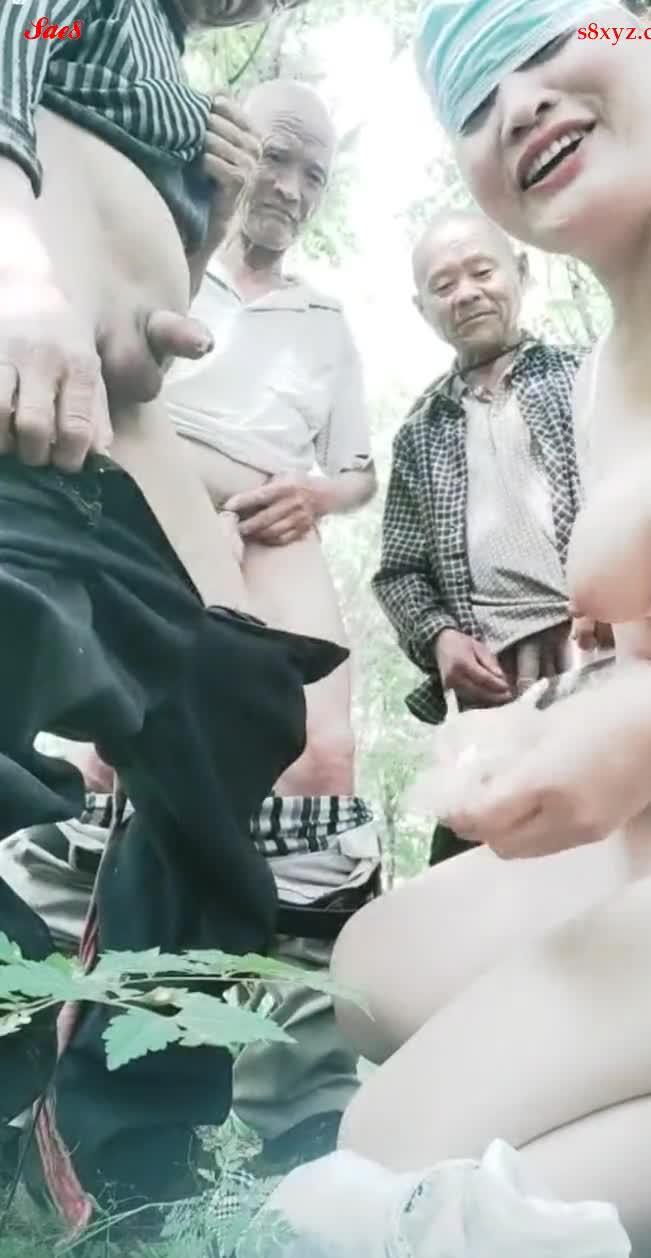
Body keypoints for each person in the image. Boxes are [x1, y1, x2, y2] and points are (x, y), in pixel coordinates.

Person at [330, 2, 651, 1253]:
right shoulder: (590, 384)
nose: (518, 102)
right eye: (473, 99)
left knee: (398, 1174)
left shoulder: (555, 376)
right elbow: (635, 654)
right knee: (371, 967)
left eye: (544, 38)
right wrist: (526, 732)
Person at [0, 0, 343, 1227]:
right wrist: (19, 273)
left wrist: (202, 208)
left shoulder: (169, 68)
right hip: (21, 394)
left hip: (112, 434)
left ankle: (130, 1145)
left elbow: (153, 294)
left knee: (237, 700)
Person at [165, 77, 377, 799]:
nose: (290, 189)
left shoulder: (325, 319)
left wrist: (317, 497)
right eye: (276, 157)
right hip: (154, 495)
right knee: (128, 731)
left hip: (275, 524)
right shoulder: (172, 252)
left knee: (323, 751)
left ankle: (293, 878)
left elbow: (357, 471)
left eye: (313, 175)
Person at [373, 208, 594, 863]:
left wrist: (620, 600)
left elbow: (638, 487)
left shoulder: (585, 374)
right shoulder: (420, 432)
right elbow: (401, 572)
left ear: (520, 273)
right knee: (477, 858)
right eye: (443, 285)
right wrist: (440, 638)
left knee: (623, 839)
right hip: (494, 689)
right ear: (422, 309)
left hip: (602, 654)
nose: (466, 293)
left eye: (481, 272)